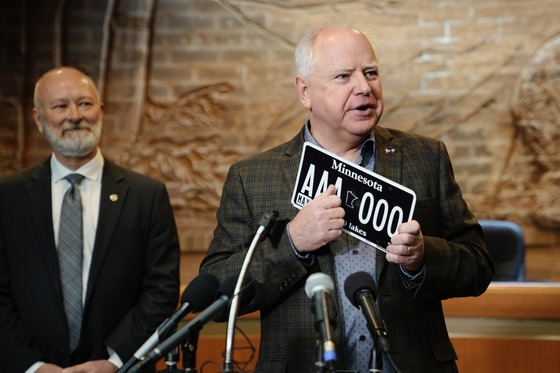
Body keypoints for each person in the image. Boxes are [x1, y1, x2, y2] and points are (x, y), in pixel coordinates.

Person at [199, 22, 494, 373]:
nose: (364, 88)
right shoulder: (252, 178)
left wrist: (422, 257)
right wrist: (292, 243)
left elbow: (478, 264)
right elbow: (217, 290)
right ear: (305, 91)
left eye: (371, 73)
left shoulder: (426, 158)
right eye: (343, 76)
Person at [0, 67, 181, 372]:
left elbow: (161, 290)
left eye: (84, 104)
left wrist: (116, 362)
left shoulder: (146, 196)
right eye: (60, 106)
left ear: (101, 110)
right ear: (38, 119)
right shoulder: (8, 198)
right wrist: (32, 366)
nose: (74, 115)